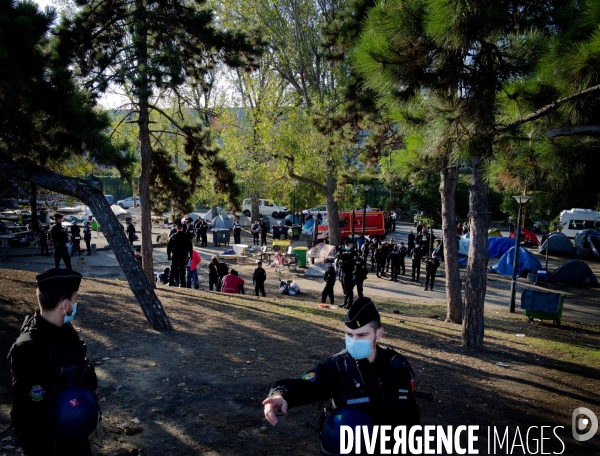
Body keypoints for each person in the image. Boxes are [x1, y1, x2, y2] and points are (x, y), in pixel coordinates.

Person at [262, 298, 420, 450]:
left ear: (379, 333)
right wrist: (281, 395)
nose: (354, 341)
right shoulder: (338, 366)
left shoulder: (396, 366)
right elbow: (306, 385)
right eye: (349, 335)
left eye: (362, 335)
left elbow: (409, 415)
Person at [7, 268, 98, 456]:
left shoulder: (63, 329)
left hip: (73, 432)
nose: (75, 306)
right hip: (51, 441)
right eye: (74, 300)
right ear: (64, 305)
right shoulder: (29, 348)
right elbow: (25, 411)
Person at [166, 221, 193, 287]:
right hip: (183, 255)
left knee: (173, 269)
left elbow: (168, 247)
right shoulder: (186, 237)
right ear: (182, 228)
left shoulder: (173, 236)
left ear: (177, 228)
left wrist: (169, 255)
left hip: (175, 255)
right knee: (182, 270)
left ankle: (171, 282)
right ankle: (182, 283)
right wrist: (191, 255)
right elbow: (190, 247)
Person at [336, 238, 358, 308]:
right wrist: (339, 255)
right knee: (344, 287)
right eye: (346, 245)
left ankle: (350, 303)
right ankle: (345, 302)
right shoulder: (343, 251)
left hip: (349, 272)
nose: (347, 246)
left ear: (351, 244)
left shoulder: (353, 252)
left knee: (348, 288)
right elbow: (339, 261)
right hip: (342, 271)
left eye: (348, 244)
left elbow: (351, 263)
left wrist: (345, 258)